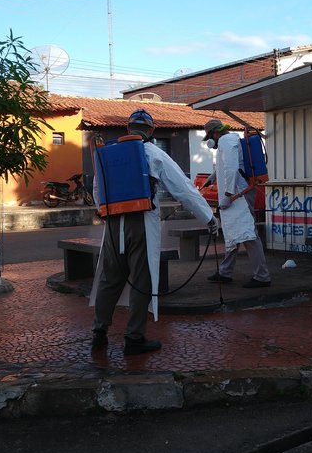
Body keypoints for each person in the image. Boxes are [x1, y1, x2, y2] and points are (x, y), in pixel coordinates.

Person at [89, 109, 218, 355]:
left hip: (114, 224)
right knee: (141, 279)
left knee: (109, 279)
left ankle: (99, 332)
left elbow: (98, 190)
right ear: (151, 131)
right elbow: (184, 190)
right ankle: (134, 337)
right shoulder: (155, 153)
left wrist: (105, 213)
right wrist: (209, 218)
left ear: (128, 129)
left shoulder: (107, 153)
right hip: (142, 222)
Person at [202, 119, 271, 289]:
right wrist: (213, 176)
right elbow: (227, 165)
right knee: (233, 232)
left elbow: (232, 169)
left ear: (215, 133)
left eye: (209, 136)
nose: (210, 141)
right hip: (236, 195)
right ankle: (225, 272)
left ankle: (262, 276)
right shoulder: (230, 140)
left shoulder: (226, 141)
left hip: (238, 195)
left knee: (248, 234)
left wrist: (228, 194)